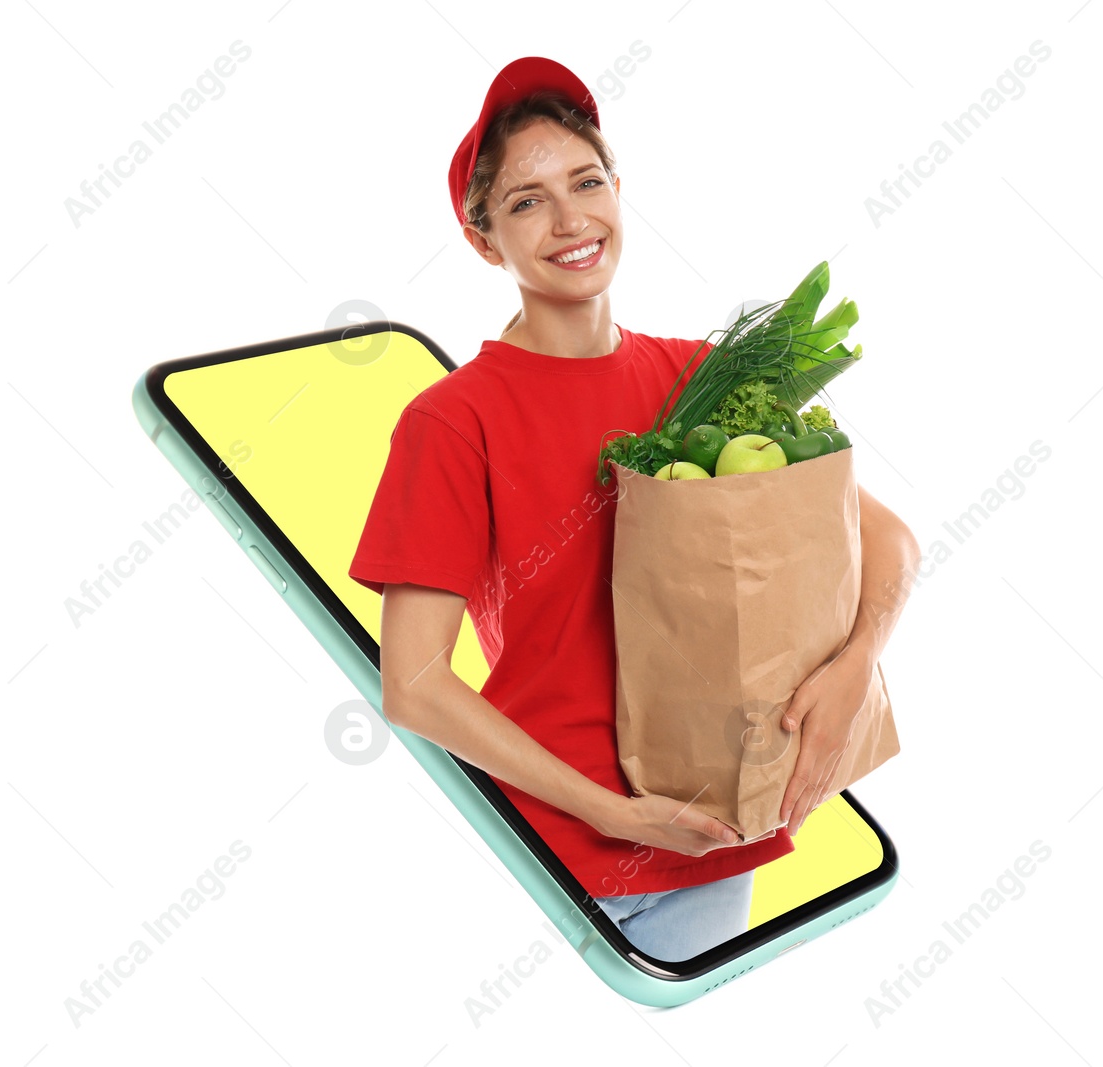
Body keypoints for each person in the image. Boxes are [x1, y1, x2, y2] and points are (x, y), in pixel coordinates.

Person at [348, 56, 919, 964]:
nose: (571, 219)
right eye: (527, 201)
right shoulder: (454, 420)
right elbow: (413, 682)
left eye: (585, 181)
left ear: (620, 190)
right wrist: (614, 812)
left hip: (712, 843)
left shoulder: (699, 377)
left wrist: (855, 665)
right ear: (483, 239)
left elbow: (887, 538)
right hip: (559, 862)